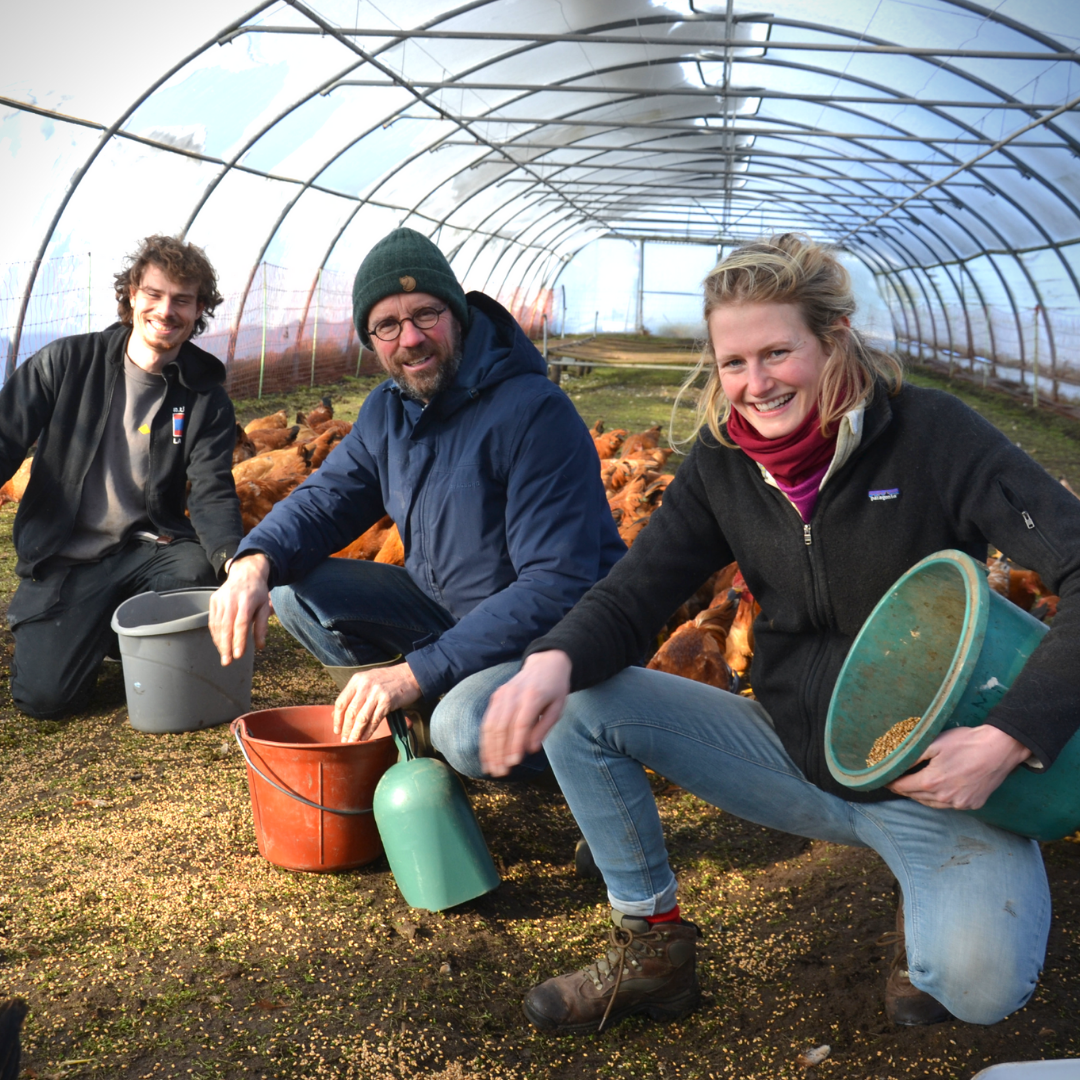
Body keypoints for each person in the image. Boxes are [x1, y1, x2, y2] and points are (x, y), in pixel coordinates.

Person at [436, 233, 1080, 1033]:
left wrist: (1010, 738)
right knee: (575, 698)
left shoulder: (934, 435)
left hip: (930, 776)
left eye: (778, 352)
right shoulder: (724, 462)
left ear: (834, 338)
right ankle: (653, 948)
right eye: (732, 362)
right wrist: (550, 663)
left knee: (980, 988)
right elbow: (636, 591)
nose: (755, 383)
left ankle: (924, 899)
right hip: (784, 750)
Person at [209, 227, 624, 755]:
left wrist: (415, 672)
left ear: (458, 314)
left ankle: (568, 739)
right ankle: (416, 724)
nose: (409, 338)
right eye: (387, 325)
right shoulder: (388, 409)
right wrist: (253, 562)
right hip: (447, 616)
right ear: (371, 341)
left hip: (546, 641)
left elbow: (556, 585)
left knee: (463, 730)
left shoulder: (534, 412)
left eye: (425, 314)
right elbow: (327, 499)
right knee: (292, 590)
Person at [0, 235, 243, 719]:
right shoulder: (65, 363)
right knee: (46, 700)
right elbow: (5, 436)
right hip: (65, 556)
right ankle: (89, 628)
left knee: (198, 572)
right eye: (154, 294)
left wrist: (234, 563)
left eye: (182, 300)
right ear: (132, 294)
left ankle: (119, 630)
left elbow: (213, 487)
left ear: (199, 311)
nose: (166, 310)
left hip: (148, 550)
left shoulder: (204, 397)